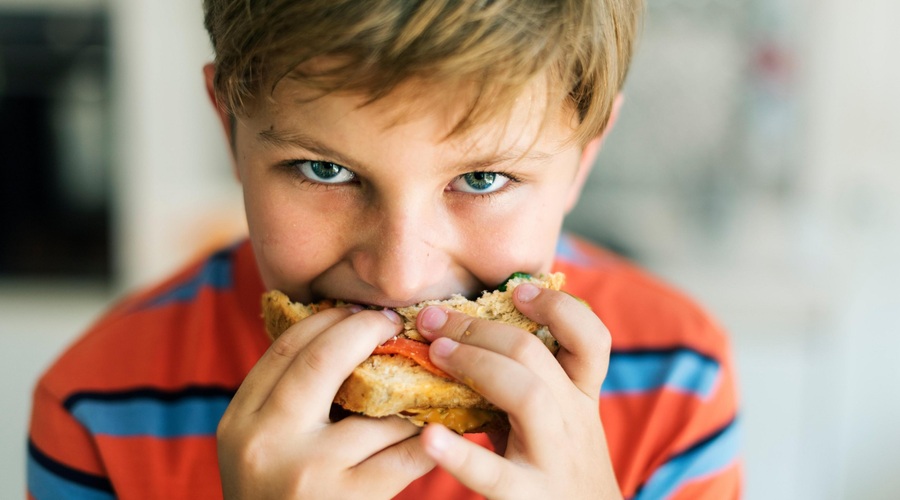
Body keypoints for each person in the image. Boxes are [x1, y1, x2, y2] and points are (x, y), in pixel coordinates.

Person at [27, 1, 741, 498]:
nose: (401, 275)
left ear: (583, 159)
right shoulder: (99, 406)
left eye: (483, 179)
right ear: (230, 131)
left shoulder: (676, 381)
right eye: (325, 170)